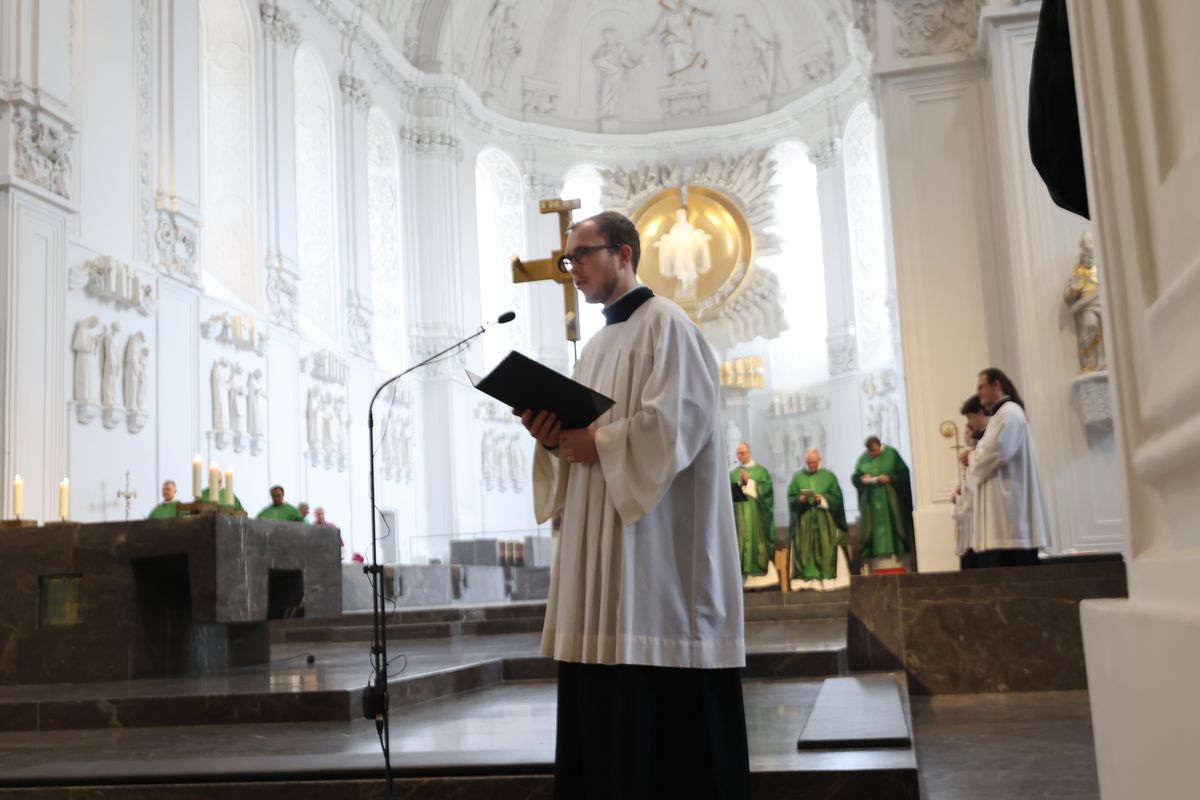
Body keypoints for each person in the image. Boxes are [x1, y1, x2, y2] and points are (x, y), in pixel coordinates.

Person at [517, 210, 749, 799]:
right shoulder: (594, 347)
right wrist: (552, 437)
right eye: (568, 260)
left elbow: (679, 424)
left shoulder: (667, 326)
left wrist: (600, 442)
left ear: (623, 254)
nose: (572, 270)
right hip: (601, 562)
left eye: (582, 256)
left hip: (655, 565)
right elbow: (577, 445)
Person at [962, 368, 1053, 568]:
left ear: (996, 384)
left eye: (981, 387)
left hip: (1010, 517)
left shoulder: (1010, 413)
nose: (979, 393)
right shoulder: (1001, 415)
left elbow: (997, 452)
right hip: (1001, 516)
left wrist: (971, 456)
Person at [851, 435, 916, 572]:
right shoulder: (864, 458)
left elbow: (904, 473)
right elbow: (855, 477)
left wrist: (890, 478)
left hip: (891, 502)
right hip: (871, 506)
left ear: (880, 446)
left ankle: (899, 565)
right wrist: (862, 479)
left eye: (875, 451)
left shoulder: (892, 454)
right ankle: (877, 566)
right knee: (874, 535)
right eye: (871, 452)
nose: (873, 454)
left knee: (895, 528)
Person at [787, 448, 849, 591]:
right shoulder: (798, 477)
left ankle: (825, 581)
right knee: (805, 549)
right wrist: (800, 499)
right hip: (805, 521)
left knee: (826, 548)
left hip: (824, 521)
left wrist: (823, 499)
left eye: (814, 462)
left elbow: (837, 498)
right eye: (809, 462)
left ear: (819, 460)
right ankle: (807, 582)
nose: (811, 465)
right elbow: (791, 497)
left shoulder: (829, 476)